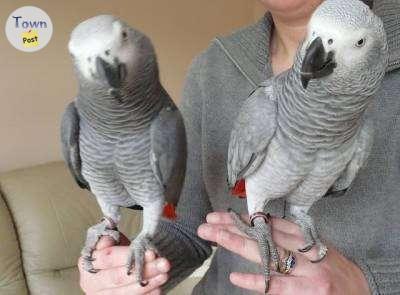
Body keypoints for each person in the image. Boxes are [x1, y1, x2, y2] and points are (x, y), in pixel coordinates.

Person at [78, 0, 400, 294]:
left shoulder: (362, 126)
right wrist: (134, 268)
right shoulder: (212, 67)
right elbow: (186, 229)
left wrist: (366, 283)